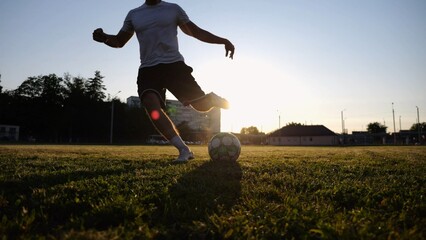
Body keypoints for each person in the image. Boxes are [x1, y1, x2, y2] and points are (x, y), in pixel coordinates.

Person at [93, 0, 235, 163]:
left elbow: (195, 32)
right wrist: (104, 38)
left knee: (201, 106)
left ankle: (211, 99)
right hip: (148, 69)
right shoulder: (134, 15)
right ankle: (184, 150)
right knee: (150, 105)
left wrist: (223, 40)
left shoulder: (173, 9)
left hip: (174, 66)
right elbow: (119, 41)